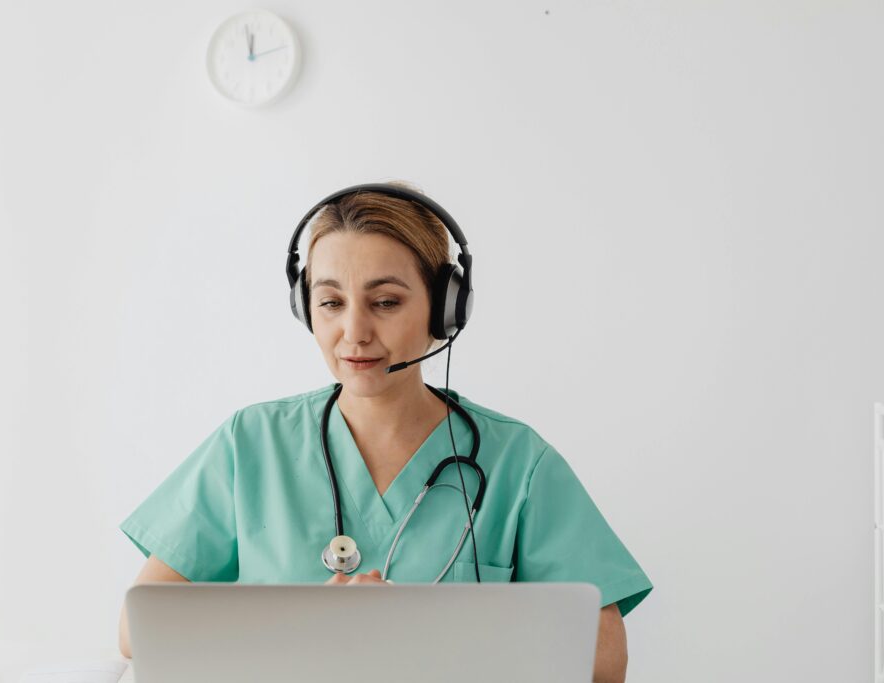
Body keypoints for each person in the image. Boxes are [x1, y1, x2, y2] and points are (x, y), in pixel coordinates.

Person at [116, 182, 653, 683]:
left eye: (386, 302)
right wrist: (302, 626)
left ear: (445, 310)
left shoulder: (518, 460)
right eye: (330, 302)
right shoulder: (251, 443)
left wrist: (422, 631)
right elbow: (137, 632)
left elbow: (606, 658)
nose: (354, 333)